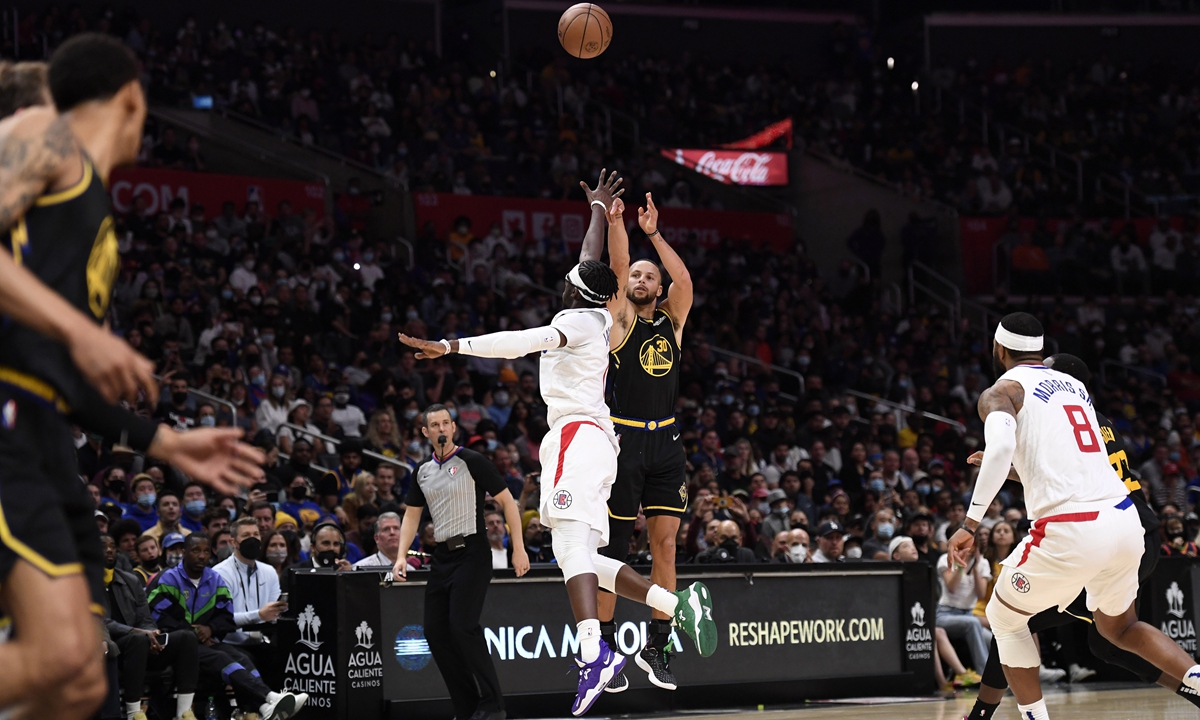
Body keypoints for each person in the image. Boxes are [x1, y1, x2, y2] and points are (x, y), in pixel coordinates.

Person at [0, 36, 263, 720]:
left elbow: (65, 376)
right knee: (58, 660)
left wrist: (164, 443)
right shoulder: (46, 135)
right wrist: (83, 330)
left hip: (47, 429)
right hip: (8, 417)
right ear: (130, 97)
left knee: (82, 682)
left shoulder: (96, 218)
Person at [397, 203, 717, 715]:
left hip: (580, 438)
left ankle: (596, 655)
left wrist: (450, 345)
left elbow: (519, 342)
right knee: (588, 559)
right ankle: (673, 606)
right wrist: (598, 212)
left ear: (573, 290)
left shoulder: (577, 320)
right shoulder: (600, 315)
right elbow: (594, 259)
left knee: (572, 556)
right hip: (603, 441)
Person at [948, 315, 1200, 720]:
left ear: (999, 349)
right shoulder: (1075, 386)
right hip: (1125, 522)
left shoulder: (1001, 391)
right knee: (1118, 629)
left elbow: (997, 451)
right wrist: (1019, 469)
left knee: (1004, 616)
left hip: (1073, 529)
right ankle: (1198, 678)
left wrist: (969, 525)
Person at [592, 174, 696, 692]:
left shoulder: (672, 322)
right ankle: (606, 650)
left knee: (666, 548)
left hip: (668, 442)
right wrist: (617, 226)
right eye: (635, 274)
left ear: (658, 288)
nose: (640, 279)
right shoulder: (621, 322)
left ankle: (658, 647)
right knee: (613, 551)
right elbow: (613, 270)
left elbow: (687, 283)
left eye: (648, 276)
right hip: (624, 439)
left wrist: (654, 236)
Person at [393, 404, 530, 720]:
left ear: (453, 428)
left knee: (462, 627)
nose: (441, 429)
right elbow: (412, 515)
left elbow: (508, 503)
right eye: (434, 425)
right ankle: (468, 707)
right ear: (426, 432)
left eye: (445, 423)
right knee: (435, 632)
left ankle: (494, 704)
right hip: (442, 557)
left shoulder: (472, 461)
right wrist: (401, 555)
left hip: (473, 552)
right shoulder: (423, 471)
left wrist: (518, 548)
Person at [147, 534, 305, 720]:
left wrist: (211, 629)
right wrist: (192, 633)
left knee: (242, 658)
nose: (201, 556)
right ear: (184, 552)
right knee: (221, 657)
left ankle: (264, 708)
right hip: (173, 645)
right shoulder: (168, 578)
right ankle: (268, 698)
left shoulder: (214, 579)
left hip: (204, 641)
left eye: (206, 551)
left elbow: (226, 616)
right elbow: (157, 615)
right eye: (196, 550)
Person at [99, 535, 200, 720]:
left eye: (112, 546)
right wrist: (139, 633)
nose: (109, 550)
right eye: (103, 546)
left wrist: (151, 633)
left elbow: (145, 617)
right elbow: (101, 622)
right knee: (137, 641)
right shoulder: (87, 583)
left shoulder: (130, 580)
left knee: (186, 637)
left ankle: (183, 712)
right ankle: (134, 712)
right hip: (113, 648)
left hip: (143, 641)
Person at [213, 518, 286, 648]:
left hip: (263, 640)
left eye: (256, 535)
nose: (252, 539)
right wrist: (259, 615)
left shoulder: (269, 571)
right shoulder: (220, 573)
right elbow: (222, 618)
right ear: (234, 542)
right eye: (246, 536)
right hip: (231, 644)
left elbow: (274, 614)